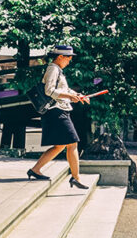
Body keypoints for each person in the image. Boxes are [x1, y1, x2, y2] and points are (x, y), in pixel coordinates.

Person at [27, 45, 90, 189]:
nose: (70, 60)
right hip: (56, 110)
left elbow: (64, 89)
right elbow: (49, 91)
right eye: (69, 57)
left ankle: (35, 170)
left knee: (60, 145)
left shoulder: (57, 70)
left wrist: (77, 95)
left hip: (59, 110)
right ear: (60, 57)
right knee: (73, 143)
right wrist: (70, 96)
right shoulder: (53, 69)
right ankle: (76, 177)